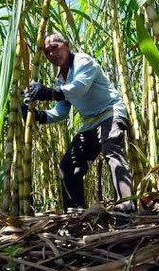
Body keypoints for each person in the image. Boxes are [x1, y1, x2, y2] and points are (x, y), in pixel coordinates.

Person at [21, 32, 135, 213]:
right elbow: (60, 112)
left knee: (111, 150)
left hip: (110, 113)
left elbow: (79, 87)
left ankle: (126, 208)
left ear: (66, 45)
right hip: (90, 123)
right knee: (68, 166)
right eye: (47, 52)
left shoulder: (83, 61)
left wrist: (49, 92)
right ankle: (75, 213)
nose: (51, 54)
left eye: (54, 48)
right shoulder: (60, 79)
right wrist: (37, 115)